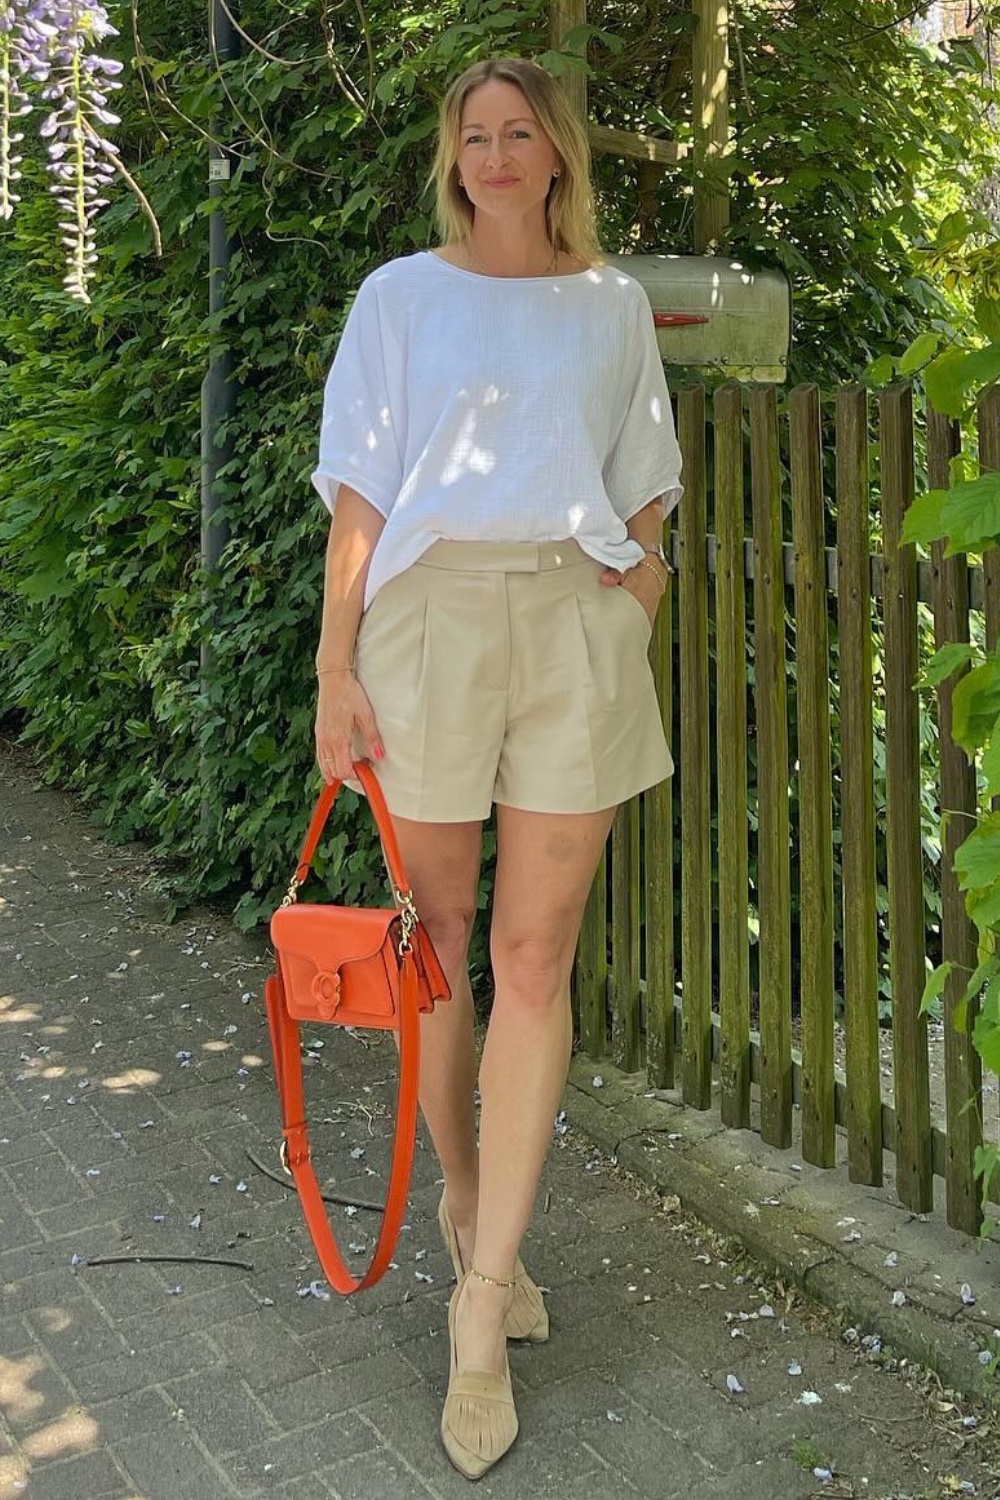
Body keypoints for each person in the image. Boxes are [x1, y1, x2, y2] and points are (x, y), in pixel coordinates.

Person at [310, 54, 683, 1481]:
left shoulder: (610, 308)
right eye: (476, 133)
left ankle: (482, 1302)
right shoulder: (401, 297)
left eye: (521, 130)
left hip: (572, 620)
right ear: (452, 157)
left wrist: (631, 600)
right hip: (429, 626)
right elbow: (362, 487)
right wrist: (337, 664)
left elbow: (648, 474)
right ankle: (471, 1205)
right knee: (436, 945)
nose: (498, 151)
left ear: (556, 152)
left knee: (534, 965)